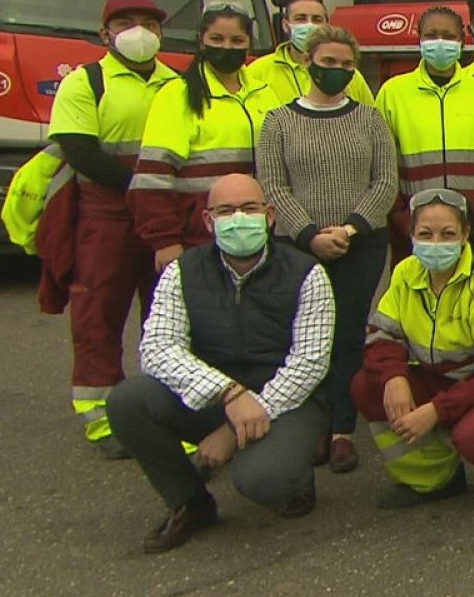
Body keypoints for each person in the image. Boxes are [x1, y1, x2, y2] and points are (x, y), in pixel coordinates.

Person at [105, 174, 333, 553]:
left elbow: (308, 364)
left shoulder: (308, 273)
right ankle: (190, 502)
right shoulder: (182, 271)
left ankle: (294, 475)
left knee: (263, 481)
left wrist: (231, 431)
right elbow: (158, 348)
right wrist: (227, 393)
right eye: (226, 211)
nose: (238, 218)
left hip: (288, 403)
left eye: (249, 208)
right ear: (208, 222)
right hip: (217, 394)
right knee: (128, 401)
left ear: (270, 215)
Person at [42, 0, 179, 457]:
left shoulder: (177, 82)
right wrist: (143, 188)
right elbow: (80, 152)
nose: (139, 31)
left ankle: (163, 409)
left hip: (165, 214)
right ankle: (102, 419)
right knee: (98, 313)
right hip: (107, 214)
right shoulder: (85, 82)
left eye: (149, 22)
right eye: (126, 22)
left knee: (168, 316)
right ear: (105, 33)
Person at [257, 26, 398, 475]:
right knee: (304, 336)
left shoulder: (371, 119)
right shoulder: (277, 121)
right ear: (307, 62)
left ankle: (342, 430)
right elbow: (273, 186)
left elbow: (385, 182)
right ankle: (309, 426)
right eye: (329, 62)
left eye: (346, 65)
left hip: (361, 243)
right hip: (298, 246)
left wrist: (351, 229)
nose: (337, 71)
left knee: (348, 335)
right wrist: (310, 235)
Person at [352, 188, 474, 507]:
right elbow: (381, 334)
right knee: (367, 386)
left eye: (447, 234)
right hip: (445, 379)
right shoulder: (405, 273)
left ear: (466, 235)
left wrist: (435, 411)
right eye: (425, 234)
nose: (436, 244)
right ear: (411, 234)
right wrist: (393, 377)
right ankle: (434, 479)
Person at [132, 3, 279, 270]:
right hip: (197, 237)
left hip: (257, 235)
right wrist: (165, 241)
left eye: (237, 40)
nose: (227, 47)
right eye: (217, 39)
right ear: (201, 40)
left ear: (249, 44)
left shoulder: (265, 94)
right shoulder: (177, 94)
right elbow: (153, 176)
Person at [375, 6, 474, 261]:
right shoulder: (393, 92)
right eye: (432, 35)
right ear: (419, 38)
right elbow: (380, 162)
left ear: (462, 41)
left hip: (472, 226)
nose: (440, 42)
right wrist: (401, 217)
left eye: (449, 36)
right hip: (412, 230)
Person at [246, 0, 376, 106]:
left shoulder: (351, 75)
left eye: (316, 19)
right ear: (286, 25)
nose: (309, 25)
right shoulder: (258, 72)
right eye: (301, 19)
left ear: (326, 25)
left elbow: (371, 119)